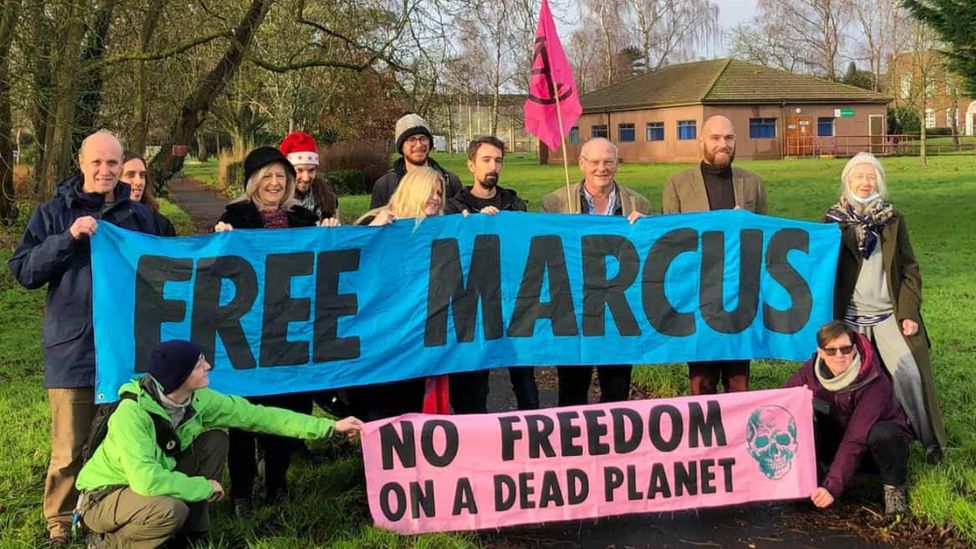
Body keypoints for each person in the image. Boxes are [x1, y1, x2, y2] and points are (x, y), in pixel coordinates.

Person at [7, 130, 161, 545]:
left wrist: (223, 235)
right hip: (73, 347)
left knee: (121, 437)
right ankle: (59, 521)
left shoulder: (141, 218)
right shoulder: (52, 214)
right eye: (97, 162)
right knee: (69, 446)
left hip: (128, 349)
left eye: (113, 163)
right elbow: (23, 272)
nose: (105, 170)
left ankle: (106, 512)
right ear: (81, 163)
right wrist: (67, 238)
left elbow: (178, 264)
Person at [75, 340, 363, 548]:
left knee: (214, 439)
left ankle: (192, 534)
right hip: (108, 494)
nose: (208, 366)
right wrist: (203, 488)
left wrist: (329, 427)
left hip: (152, 480)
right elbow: (146, 480)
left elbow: (260, 417)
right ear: (180, 379)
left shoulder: (199, 399)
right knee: (168, 510)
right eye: (200, 365)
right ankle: (104, 541)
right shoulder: (131, 414)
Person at [212, 146, 321, 517]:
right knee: (243, 416)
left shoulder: (303, 219)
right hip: (248, 333)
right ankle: (241, 492)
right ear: (253, 182)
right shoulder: (236, 217)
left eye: (281, 177)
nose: (275, 183)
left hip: (290, 333)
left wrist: (331, 235)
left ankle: (277, 482)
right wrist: (219, 237)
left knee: (284, 411)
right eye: (267, 176)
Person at [825, 151, 946, 463]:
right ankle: (848, 446)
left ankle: (930, 442)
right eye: (859, 176)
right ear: (846, 181)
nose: (865, 183)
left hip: (887, 315)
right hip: (849, 318)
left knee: (908, 371)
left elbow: (910, 269)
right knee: (849, 379)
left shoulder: (892, 220)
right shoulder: (831, 223)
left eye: (871, 176)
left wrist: (908, 313)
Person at [661, 115, 767, 396]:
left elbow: (766, 237)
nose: (723, 144)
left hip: (738, 295)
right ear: (701, 141)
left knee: (738, 379)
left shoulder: (753, 183)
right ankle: (706, 436)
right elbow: (669, 241)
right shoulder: (677, 184)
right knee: (702, 380)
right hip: (698, 295)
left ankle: (738, 436)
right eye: (716, 138)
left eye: (729, 138)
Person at [540, 137, 651, 406]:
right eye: (595, 162)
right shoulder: (555, 203)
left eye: (609, 162)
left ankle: (614, 445)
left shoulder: (639, 204)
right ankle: (572, 444)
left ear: (617, 165)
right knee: (572, 390)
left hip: (618, 312)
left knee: (616, 389)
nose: (602, 168)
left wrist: (647, 230)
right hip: (574, 310)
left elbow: (650, 256)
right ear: (581, 164)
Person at [444, 136, 538, 412]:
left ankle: (531, 435)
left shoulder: (515, 204)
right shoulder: (454, 207)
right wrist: (474, 226)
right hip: (473, 306)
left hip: (513, 301)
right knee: (473, 385)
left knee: (524, 380)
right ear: (471, 165)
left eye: (498, 160)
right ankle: (476, 441)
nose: (492, 166)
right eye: (486, 160)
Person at [350, 166, 450, 419]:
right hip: (377, 342)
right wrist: (374, 230)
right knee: (380, 412)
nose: (436, 198)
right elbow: (348, 265)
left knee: (410, 411)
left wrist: (480, 222)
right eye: (430, 191)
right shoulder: (376, 221)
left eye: (440, 193)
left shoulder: (440, 231)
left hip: (414, 342)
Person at [783, 321, 911, 516]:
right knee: (800, 416)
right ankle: (811, 483)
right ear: (821, 352)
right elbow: (782, 399)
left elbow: (856, 437)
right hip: (836, 439)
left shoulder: (874, 380)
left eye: (845, 349)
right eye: (831, 350)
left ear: (854, 349)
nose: (839, 356)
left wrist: (833, 487)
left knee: (885, 434)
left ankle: (894, 490)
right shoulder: (811, 370)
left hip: (872, 447)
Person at [369, 113, 462, 209]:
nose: (418, 145)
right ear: (401, 146)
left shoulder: (450, 182)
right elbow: (374, 221)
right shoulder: (386, 185)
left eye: (423, 139)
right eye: (411, 139)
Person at [279, 131, 340, 225]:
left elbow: (336, 227)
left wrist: (332, 225)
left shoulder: (327, 194)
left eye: (311, 170)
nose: (306, 178)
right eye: (299, 170)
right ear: (287, 171)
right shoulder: (276, 198)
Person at [122, 150, 177, 236]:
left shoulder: (161, 224)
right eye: (130, 175)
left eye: (142, 175)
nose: (139, 182)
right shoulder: (102, 222)